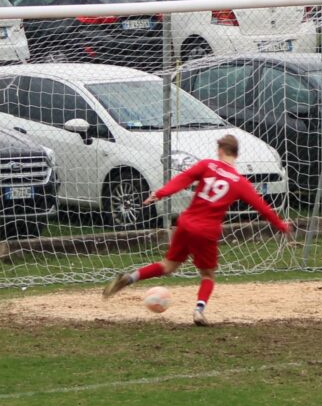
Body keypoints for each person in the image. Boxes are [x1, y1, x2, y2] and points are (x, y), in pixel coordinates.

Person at [102, 134, 292, 326]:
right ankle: (199, 311)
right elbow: (262, 207)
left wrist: (160, 193)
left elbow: (182, 180)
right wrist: (281, 225)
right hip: (206, 231)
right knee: (207, 275)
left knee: (167, 265)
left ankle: (130, 277)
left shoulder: (207, 165)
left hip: (186, 224)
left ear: (220, 151)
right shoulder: (239, 182)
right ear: (236, 154)